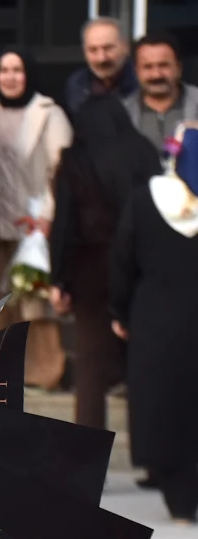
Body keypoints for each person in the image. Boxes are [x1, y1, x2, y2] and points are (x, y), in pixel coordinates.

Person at [50, 96, 161, 431]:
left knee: (90, 371)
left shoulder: (75, 160)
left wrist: (59, 279)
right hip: (143, 269)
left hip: (91, 272)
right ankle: (153, 460)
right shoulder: (144, 152)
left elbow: (64, 225)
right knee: (145, 368)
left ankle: (87, 461)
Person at [111, 124, 198, 524]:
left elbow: (123, 260)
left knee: (166, 406)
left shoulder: (146, 199)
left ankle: (179, 502)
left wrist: (121, 312)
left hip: (156, 318)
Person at [0, 48, 71, 386]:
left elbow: (63, 169)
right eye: (4, 70)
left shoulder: (49, 113)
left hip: (32, 227)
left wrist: (48, 217)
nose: (10, 77)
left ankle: (44, 372)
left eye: (17, 70)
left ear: (28, 74)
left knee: (33, 307)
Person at [122, 32, 198, 150]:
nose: (156, 75)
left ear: (178, 68)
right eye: (148, 67)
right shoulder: (122, 114)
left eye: (163, 65)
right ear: (136, 72)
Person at [63, 16, 137, 119]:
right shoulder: (77, 84)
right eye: (93, 50)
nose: (101, 58)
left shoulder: (142, 82)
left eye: (108, 48)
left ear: (125, 47)